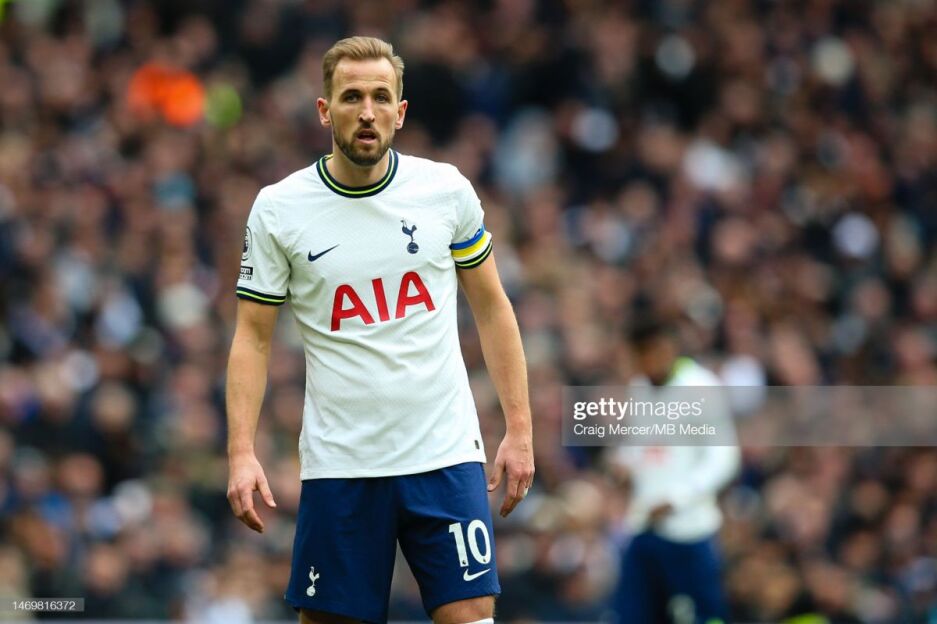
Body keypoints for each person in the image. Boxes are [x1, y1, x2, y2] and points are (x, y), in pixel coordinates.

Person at [224, 36, 534, 624]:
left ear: (400, 111)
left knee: (471, 614)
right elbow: (252, 337)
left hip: (444, 454)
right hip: (342, 464)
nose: (367, 111)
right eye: (352, 97)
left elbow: (493, 308)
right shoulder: (279, 209)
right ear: (325, 110)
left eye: (380, 97)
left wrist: (520, 430)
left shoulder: (444, 191)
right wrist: (241, 452)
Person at [608, 319, 739, 624]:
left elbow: (724, 457)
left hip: (688, 530)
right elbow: (643, 445)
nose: (650, 360)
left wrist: (678, 498)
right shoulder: (640, 388)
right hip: (643, 524)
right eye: (642, 354)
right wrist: (623, 462)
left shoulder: (700, 387)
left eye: (656, 351)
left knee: (703, 616)